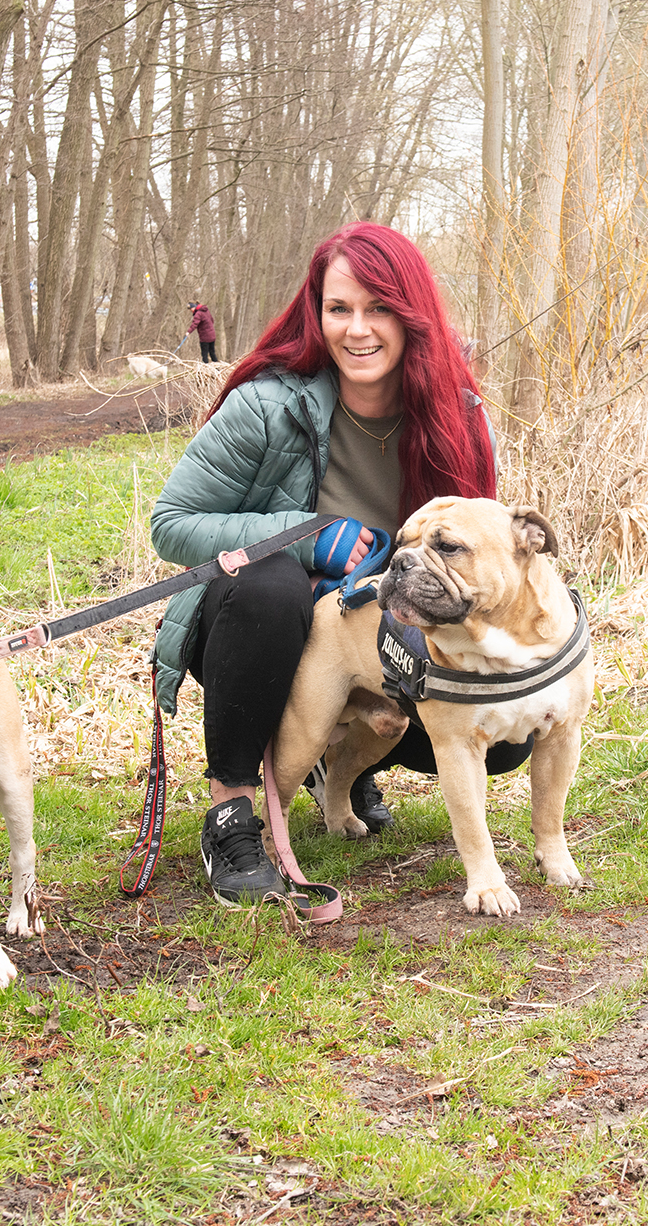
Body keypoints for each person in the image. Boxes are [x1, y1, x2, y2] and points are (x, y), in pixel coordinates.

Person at [150, 222, 505, 905]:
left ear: (413, 316)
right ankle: (232, 810)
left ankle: (334, 763)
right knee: (272, 586)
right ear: (317, 313)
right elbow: (171, 525)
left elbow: (478, 543)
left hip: (378, 637)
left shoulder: (458, 415)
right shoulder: (268, 404)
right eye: (339, 308)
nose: (358, 329)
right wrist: (306, 536)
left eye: (379, 309)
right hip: (253, 630)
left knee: (508, 742)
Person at [184, 299, 218, 363]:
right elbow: (212, 320)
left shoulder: (198, 313)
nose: (191, 311)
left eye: (191, 309)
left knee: (204, 354)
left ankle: (205, 368)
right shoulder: (206, 311)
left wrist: (188, 332)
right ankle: (217, 368)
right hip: (212, 335)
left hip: (205, 337)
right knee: (212, 353)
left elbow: (194, 324)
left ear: (194, 307)